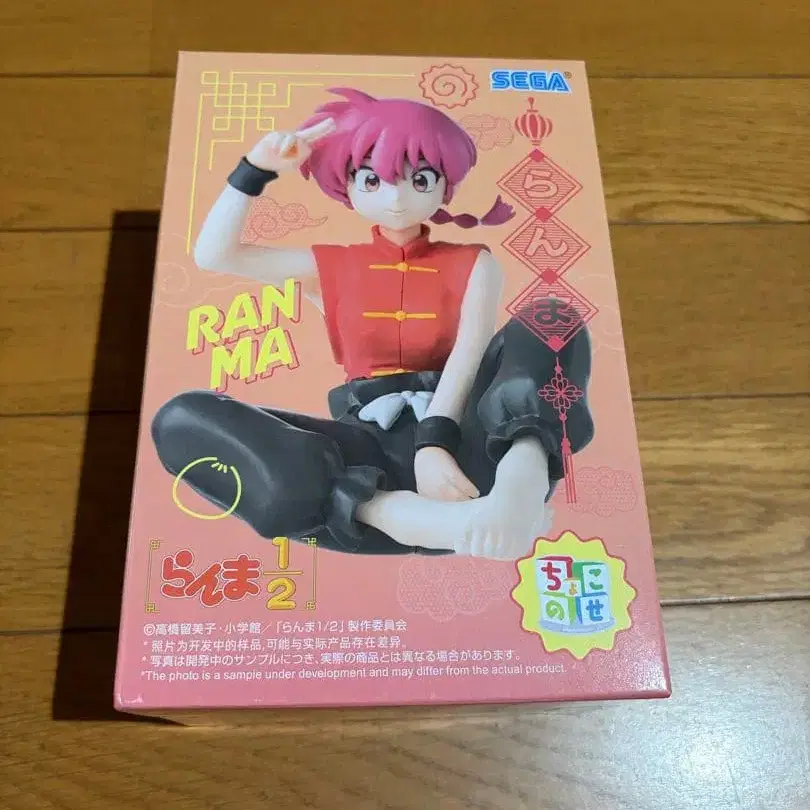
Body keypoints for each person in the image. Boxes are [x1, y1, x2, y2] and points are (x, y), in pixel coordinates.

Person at [151, 87, 594, 560]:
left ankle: (522, 484)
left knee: (550, 317)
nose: (397, 198)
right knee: (182, 419)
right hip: (361, 472)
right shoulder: (331, 267)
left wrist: (434, 444)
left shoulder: (474, 264)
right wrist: (254, 170)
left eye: (420, 179)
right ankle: (402, 515)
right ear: (346, 184)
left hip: (475, 452)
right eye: (371, 179)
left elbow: (470, 351)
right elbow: (215, 255)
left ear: (446, 184)